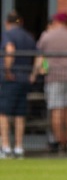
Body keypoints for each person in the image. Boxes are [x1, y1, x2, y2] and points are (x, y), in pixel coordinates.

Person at [32, 11, 67, 154]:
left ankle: (57, 142)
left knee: (56, 110)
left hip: (54, 77)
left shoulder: (47, 36)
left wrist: (34, 74)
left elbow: (39, 55)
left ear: (56, 21)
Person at [0, 11, 37, 158]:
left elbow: (10, 50)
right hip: (24, 79)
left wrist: (7, 70)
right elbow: (40, 56)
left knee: (3, 114)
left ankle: (6, 147)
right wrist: (33, 75)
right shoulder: (29, 36)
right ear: (20, 22)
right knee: (20, 115)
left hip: (11, 79)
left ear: (7, 23)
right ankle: (19, 148)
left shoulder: (8, 35)